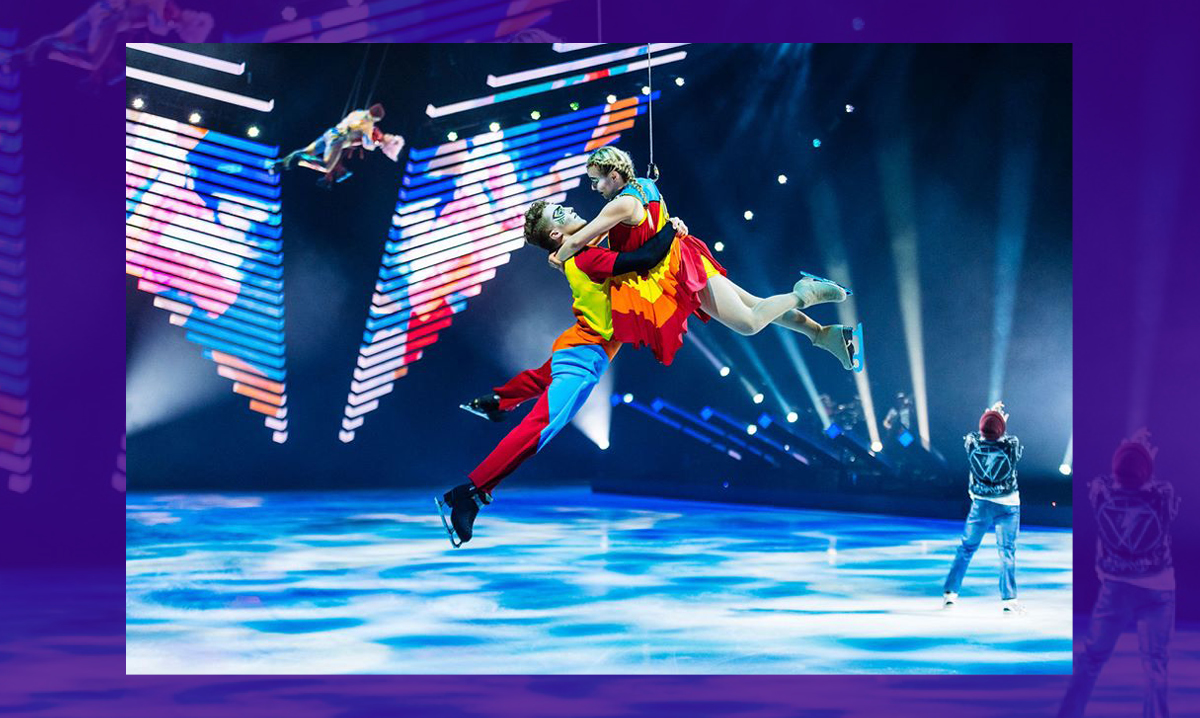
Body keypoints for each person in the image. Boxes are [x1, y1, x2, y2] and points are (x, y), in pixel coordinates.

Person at [436, 214, 690, 547]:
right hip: (584, 354)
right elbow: (643, 257)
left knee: (544, 378)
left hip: (578, 343)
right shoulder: (586, 256)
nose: (570, 210)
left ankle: (498, 401)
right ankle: (471, 492)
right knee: (539, 429)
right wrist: (670, 229)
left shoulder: (583, 250)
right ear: (557, 233)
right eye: (561, 213)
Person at [545, 147, 858, 370]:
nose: (594, 187)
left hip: (684, 267)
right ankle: (823, 335)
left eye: (595, 180)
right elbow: (598, 236)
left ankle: (804, 292)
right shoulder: (643, 185)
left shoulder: (619, 205)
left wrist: (558, 254)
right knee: (756, 305)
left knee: (748, 323)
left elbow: (583, 239)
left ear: (613, 176)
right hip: (683, 261)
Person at [1058, 429, 1178, 718]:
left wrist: (1132, 450)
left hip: (1116, 588)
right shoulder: (1163, 495)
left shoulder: (1100, 491)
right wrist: (1144, 454)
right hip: (1159, 588)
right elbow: (1153, 487)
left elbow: (1116, 473)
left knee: (1092, 659)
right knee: (1155, 664)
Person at [942, 401, 1024, 612]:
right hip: (1008, 505)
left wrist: (991, 414)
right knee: (1007, 552)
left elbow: (980, 431)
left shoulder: (972, 443)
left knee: (966, 548)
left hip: (981, 504)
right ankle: (1009, 601)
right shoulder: (1011, 444)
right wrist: (999, 420)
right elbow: (1001, 437)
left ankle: (950, 593)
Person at [3, 0, 212, 80]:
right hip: (110, 18)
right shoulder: (162, 14)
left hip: (102, 10)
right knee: (92, 60)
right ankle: (50, 49)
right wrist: (171, 21)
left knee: (62, 36)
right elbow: (157, 22)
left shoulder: (164, 19)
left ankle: (17, 58)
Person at [272, 104, 403, 188]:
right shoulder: (368, 124)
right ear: (377, 118)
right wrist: (376, 143)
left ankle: (280, 164)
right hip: (338, 139)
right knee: (327, 166)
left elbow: (356, 132)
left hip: (330, 133)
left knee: (308, 151)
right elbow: (368, 144)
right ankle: (300, 159)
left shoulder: (358, 112)